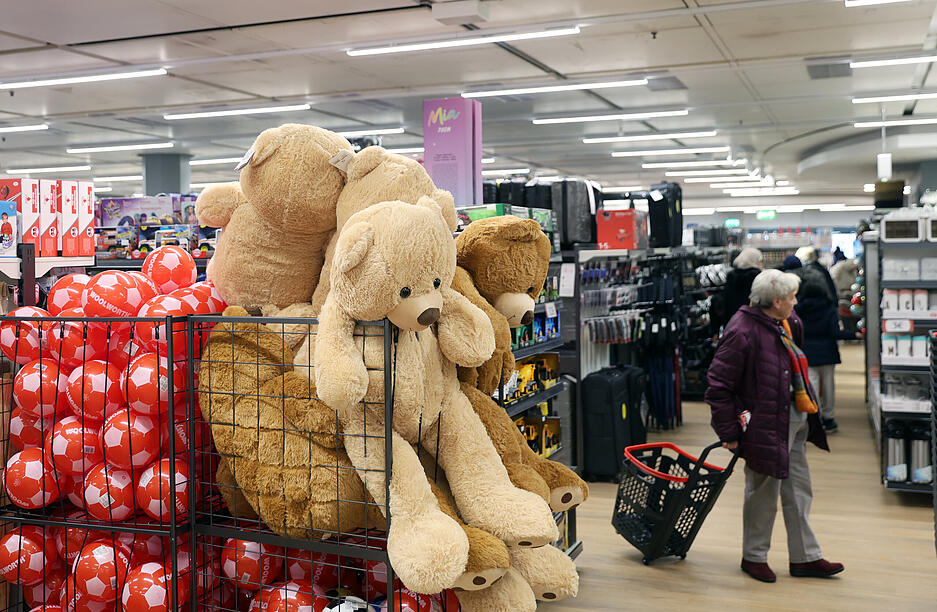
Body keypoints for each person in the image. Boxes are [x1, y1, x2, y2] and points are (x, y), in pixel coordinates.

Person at [706, 269, 842, 583]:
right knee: (762, 493)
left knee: (799, 491)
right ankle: (753, 557)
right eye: (792, 297)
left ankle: (806, 557)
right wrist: (728, 434)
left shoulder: (789, 322)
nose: (797, 302)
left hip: (794, 420)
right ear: (776, 301)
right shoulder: (742, 331)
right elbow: (717, 386)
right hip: (763, 426)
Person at [794, 281, 863, 433]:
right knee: (828, 386)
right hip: (827, 351)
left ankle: (815, 418)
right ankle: (829, 419)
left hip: (807, 352)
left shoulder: (798, 309)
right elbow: (835, 332)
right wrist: (854, 334)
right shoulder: (829, 308)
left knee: (811, 385)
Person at [722, 247, 763, 328]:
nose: (761, 263)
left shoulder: (731, 276)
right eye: (760, 261)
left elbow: (726, 303)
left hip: (733, 322)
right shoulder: (758, 277)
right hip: (753, 323)